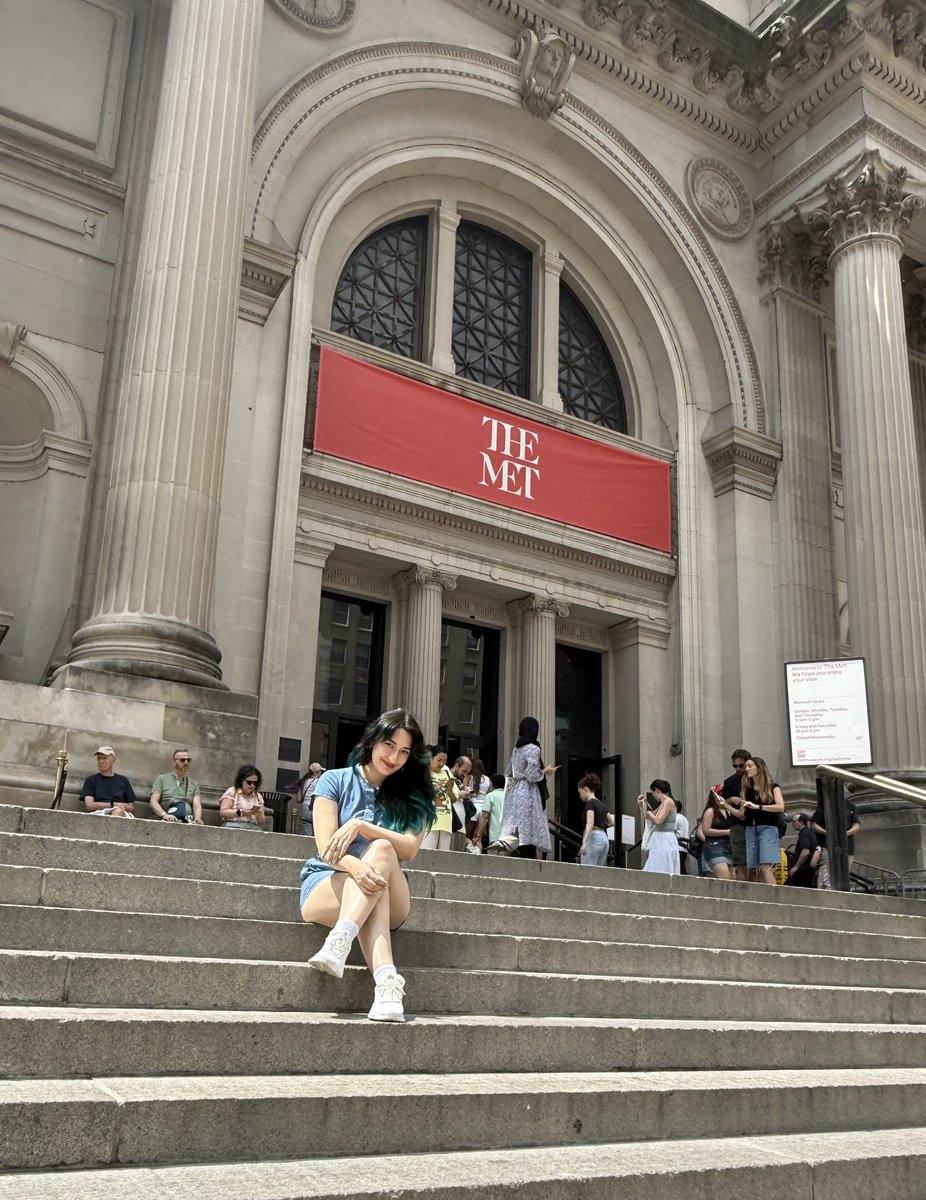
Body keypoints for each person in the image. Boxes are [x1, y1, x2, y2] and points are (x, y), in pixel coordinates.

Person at [300, 708, 435, 1023]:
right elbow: (326, 848)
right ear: (373, 740)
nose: (394, 757)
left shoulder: (413, 795)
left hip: (392, 892)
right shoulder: (334, 780)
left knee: (384, 849)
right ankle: (388, 984)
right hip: (328, 882)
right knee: (371, 883)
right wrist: (356, 868)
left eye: (404, 752)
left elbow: (410, 849)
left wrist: (363, 826)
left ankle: (340, 939)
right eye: (389, 745)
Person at [501, 717, 557, 860]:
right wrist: (545, 771)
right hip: (528, 791)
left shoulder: (516, 749)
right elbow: (532, 775)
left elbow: (508, 772)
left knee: (518, 829)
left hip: (515, 791)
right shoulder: (534, 748)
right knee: (530, 829)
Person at [740, 756, 785, 885]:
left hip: (768, 828)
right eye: (746, 766)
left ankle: (773, 897)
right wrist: (726, 805)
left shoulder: (773, 787)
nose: (746, 769)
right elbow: (741, 814)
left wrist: (757, 807)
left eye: (750, 766)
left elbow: (781, 806)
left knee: (766, 867)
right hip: (750, 829)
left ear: (759, 768)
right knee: (753, 869)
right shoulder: (747, 789)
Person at [811, 797, 861, 889]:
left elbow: (857, 825)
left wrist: (846, 833)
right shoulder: (824, 805)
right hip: (828, 845)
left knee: (844, 874)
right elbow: (814, 824)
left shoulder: (850, 806)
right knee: (826, 872)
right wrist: (826, 832)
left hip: (847, 846)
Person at [150, 749, 203, 824]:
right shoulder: (162, 779)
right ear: (174, 762)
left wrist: (197, 818)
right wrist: (164, 815)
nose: (186, 762)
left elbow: (197, 805)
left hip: (186, 820)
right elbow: (153, 801)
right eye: (182, 760)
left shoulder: (194, 784)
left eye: (188, 760)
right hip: (165, 820)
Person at [638, 780, 679, 875]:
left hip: (664, 838)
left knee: (661, 865)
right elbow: (647, 816)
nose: (653, 796)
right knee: (656, 863)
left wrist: (649, 813)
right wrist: (642, 804)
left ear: (657, 790)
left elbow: (658, 820)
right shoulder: (664, 803)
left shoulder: (668, 802)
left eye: (653, 793)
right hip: (660, 838)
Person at [81, 745, 136, 817]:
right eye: (99, 759)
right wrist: (112, 804)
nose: (101, 761)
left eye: (104, 758)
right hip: (99, 813)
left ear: (113, 760)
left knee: (118, 812)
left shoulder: (123, 780)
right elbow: (89, 805)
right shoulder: (91, 780)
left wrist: (124, 806)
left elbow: (131, 806)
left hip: (120, 813)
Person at [722, 749, 750, 881]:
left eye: (741, 765)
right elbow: (721, 803)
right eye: (735, 765)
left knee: (757, 864)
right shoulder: (730, 782)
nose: (738, 768)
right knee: (741, 863)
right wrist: (732, 800)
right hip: (738, 825)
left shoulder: (754, 779)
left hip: (754, 823)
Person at [423, 745, 456, 850]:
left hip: (445, 822)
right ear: (431, 758)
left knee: (444, 857)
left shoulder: (447, 773)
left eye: (444, 761)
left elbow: (454, 799)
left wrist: (450, 791)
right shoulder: (424, 774)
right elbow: (419, 796)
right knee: (427, 854)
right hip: (429, 822)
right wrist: (435, 789)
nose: (441, 764)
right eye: (439, 760)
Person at [700, 787, 736, 879]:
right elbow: (706, 830)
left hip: (728, 846)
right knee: (725, 877)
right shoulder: (710, 811)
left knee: (732, 877)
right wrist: (726, 832)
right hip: (714, 846)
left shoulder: (728, 811)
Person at [578, 773, 611, 866]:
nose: (580, 796)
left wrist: (584, 842)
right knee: (597, 872)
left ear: (585, 789)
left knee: (587, 870)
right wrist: (602, 826)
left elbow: (590, 823)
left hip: (594, 837)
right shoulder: (601, 804)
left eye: (580, 792)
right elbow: (612, 822)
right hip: (604, 838)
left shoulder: (590, 803)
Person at [219, 765, 266, 831]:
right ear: (241, 781)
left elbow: (261, 821)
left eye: (255, 783)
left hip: (252, 827)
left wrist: (259, 814)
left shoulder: (258, 796)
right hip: (232, 826)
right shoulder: (232, 791)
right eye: (249, 782)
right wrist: (241, 812)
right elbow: (223, 812)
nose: (252, 785)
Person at [471, 773, 506, 850]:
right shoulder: (509, 796)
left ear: (492, 784)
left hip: (496, 837)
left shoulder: (490, 796)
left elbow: (484, 817)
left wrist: (478, 835)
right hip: (510, 838)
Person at [787, 813, 819, 887]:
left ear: (801, 822)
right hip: (807, 870)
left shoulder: (804, 833)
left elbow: (805, 852)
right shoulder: (809, 832)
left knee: (786, 890)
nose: (792, 824)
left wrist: (796, 867)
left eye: (794, 821)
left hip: (802, 870)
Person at [296, 762, 324, 836]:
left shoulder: (305, 781)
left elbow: (299, 799)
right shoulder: (317, 782)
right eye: (320, 771)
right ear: (316, 772)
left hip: (304, 808)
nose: (321, 772)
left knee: (306, 836)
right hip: (312, 809)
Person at [674, 799, 690, 874]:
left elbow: (672, 831)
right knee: (682, 866)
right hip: (685, 847)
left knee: (678, 869)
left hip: (677, 846)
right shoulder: (685, 819)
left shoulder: (675, 818)